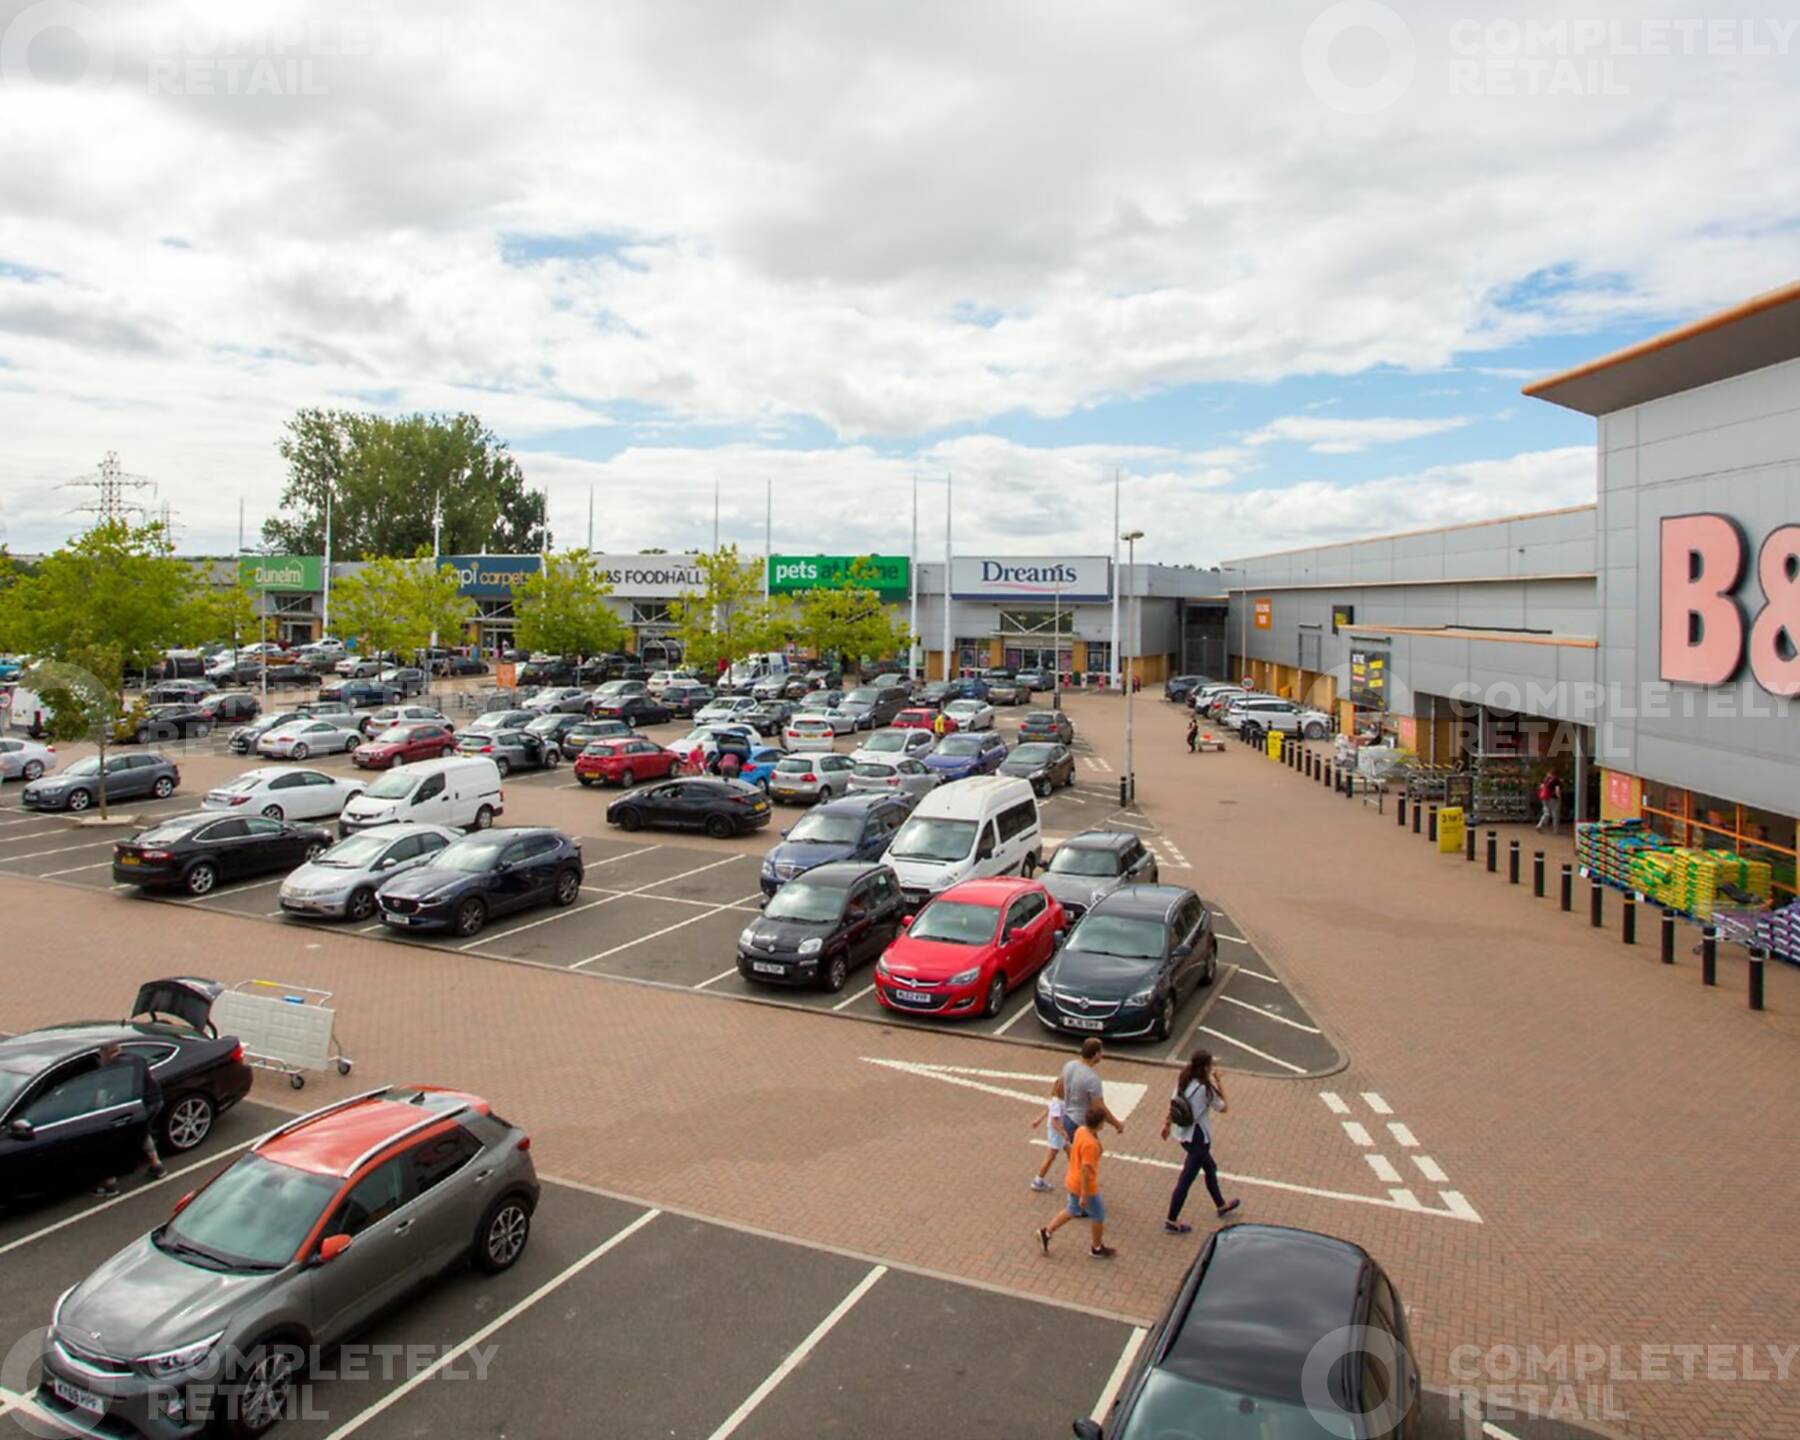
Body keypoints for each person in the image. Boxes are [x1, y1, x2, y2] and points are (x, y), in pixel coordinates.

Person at [1160, 1049, 1240, 1231]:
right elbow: (1224, 1107)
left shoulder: (1184, 1078)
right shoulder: (1205, 1089)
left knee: (1210, 1167)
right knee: (1186, 1179)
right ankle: (1171, 1220)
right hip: (1198, 1139)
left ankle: (1221, 1204)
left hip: (1184, 1135)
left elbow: (1174, 1102)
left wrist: (1166, 1125)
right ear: (1205, 1067)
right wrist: (1219, 1082)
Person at [1038, 1105, 1114, 1259]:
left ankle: (1046, 1232)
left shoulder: (1081, 1131)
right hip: (1084, 1185)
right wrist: (1084, 1195)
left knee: (1072, 1210)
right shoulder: (1090, 1145)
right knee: (1099, 1214)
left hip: (1072, 1179)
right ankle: (1096, 1247)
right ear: (1100, 1124)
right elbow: (1086, 1170)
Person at [94, 1042, 165, 1197]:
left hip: (134, 1108)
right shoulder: (137, 1058)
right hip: (154, 1101)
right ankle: (157, 1166)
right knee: (143, 1133)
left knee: (113, 1142)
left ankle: (110, 1183)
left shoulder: (111, 1069)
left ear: (105, 1054)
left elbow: (102, 1096)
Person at [1058, 1038, 1125, 1146]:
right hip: (1080, 1123)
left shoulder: (1069, 1065)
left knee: (1081, 1154)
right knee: (1092, 1153)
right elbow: (1099, 1107)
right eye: (1101, 1052)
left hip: (1067, 1118)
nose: (1102, 1054)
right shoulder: (1092, 1079)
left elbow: (1060, 1087)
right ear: (1095, 1055)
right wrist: (1117, 1124)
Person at [1028, 1076, 1067, 1192]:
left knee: (1070, 1150)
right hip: (1056, 1132)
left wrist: (1038, 1120)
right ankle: (1038, 1180)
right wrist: (1063, 1132)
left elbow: (1048, 1110)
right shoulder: (1058, 1102)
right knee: (1051, 1156)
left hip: (1058, 1131)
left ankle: (1077, 1173)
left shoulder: (1057, 1100)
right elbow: (1054, 1121)